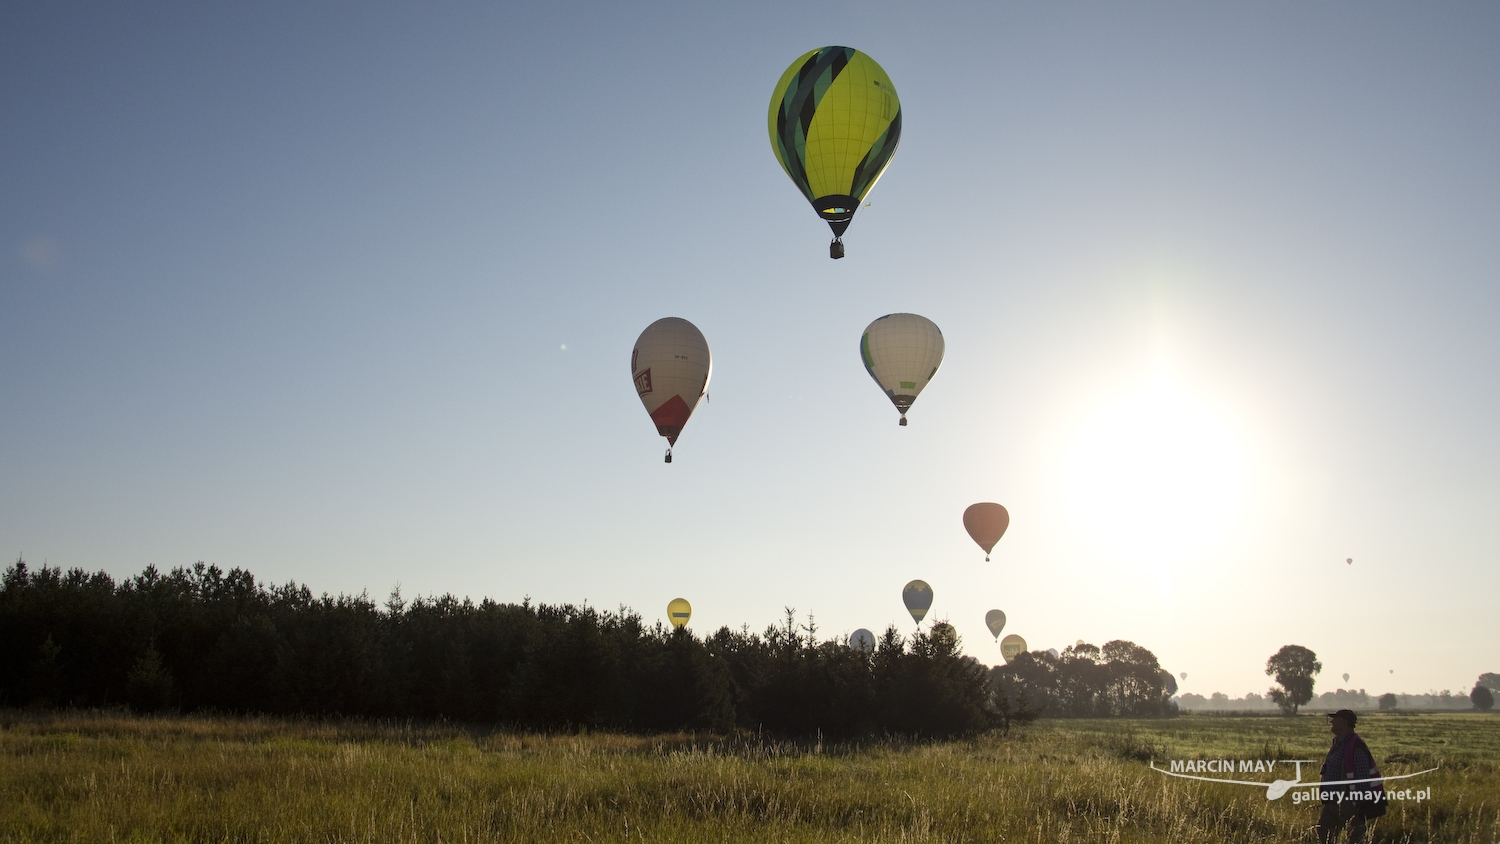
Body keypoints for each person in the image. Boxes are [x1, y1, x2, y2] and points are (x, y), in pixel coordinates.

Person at [1317, 709, 1381, 843]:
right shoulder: (1338, 743)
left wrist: (1359, 806)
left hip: (1349, 802)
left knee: (1354, 837)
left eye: (1336, 719)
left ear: (1344, 723)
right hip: (1333, 800)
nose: (1331, 721)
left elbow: (1363, 778)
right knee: (1323, 831)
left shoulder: (1355, 746)